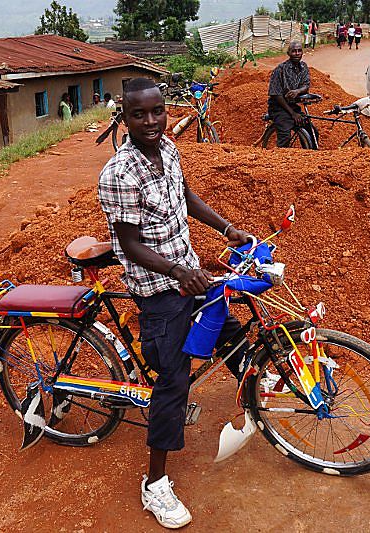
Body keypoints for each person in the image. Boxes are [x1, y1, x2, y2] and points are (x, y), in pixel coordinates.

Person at [98, 77, 252, 529]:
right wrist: (177, 272)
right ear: (123, 118)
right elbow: (129, 245)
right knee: (173, 383)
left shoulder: (168, 150)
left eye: (157, 112)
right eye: (139, 114)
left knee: (229, 329)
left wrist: (226, 229)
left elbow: (183, 197)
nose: (150, 122)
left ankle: (260, 392)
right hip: (160, 288)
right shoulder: (119, 173)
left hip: (187, 272)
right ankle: (155, 484)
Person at [267, 41, 310, 147]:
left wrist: (297, 91)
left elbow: (306, 85)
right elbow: (275, 94)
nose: (297, 53)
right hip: (278, 107)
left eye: (299, 50)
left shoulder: (303, 67)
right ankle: (280, 159)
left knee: (312, 132)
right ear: (289, 53)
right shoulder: (280, 69)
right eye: (294, 51)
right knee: (285, 136)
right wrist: (292, 113)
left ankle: (309, 158)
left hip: (293, 106)